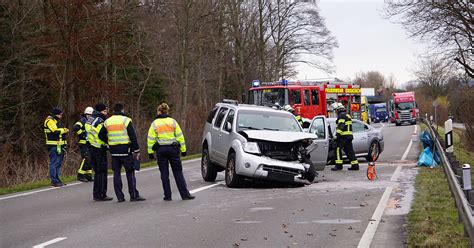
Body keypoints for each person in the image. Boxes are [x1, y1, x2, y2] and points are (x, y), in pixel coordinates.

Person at [147, 103, 195, 201]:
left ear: (159, 111)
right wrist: (183, 149)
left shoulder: (155, 123)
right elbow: (180, 136)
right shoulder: (173, 122)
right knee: (178, 172)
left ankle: (168, 196)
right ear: (167, 111)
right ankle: (185, 195)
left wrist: (150, 152)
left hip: (161, 150)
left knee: (164, 174)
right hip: (173, 150)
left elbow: (150, 139)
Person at [99, 103, 145, 202]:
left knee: (116, 173)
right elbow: (132, 136)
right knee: (130, 173)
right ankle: (133, 195)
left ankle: (120, 197)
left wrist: (109, 142)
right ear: (122, 110)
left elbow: (100, 135)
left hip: (114, 151)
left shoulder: (107, 121)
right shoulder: (126, 120)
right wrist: (136, 150)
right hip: (126, 150)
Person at [85, 103, 113, 201]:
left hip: (91, 148)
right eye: (105, 111)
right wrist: (108, 143)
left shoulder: (90, 119)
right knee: (102, 172)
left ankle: (96, 194)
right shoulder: (100, 120)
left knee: (97, 172)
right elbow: (102, 134)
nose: (106, 113)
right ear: (101, 111)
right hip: (100, 148)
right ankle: (102, 194)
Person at [43, 107, 69, 187]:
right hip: (53, 145)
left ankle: (57, 180)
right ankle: (54, 181)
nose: (61, 116)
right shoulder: (50, 121)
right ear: (56, 114)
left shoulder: (55, 121)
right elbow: (55, 131)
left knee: (58, 163)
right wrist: (64, 130)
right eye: (60, 115)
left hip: (58, 145)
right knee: (54, 163)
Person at [331, 103, 359, 171]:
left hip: (343, 136)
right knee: (349, 151)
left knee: (337, 149)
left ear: (338, 110)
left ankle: (338, 166)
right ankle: (355, 165)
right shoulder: (347, 115)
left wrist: (336, 136)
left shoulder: (341, 115)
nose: (336, 112)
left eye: (336, 110)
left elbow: (341, 126)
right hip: (349, 136)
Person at [73, 107, 94, 182]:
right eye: (88, 115)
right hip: (83, 143)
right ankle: (80, 175)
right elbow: (75, 127)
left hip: (90, 143)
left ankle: (88, 175)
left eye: (91, 115)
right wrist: (82, 135)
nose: (89, 116)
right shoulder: (83, 120)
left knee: (91, 160)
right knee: (86, 158)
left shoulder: (91, 121)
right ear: (85, 114)